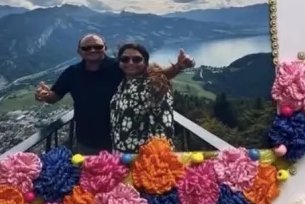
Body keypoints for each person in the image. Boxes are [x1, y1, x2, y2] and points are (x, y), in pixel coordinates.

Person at [35, 34, 194, 155]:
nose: (92, 50)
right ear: (79, 52)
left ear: (105, 48)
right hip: (88, 140)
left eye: (97, 46)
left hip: (124, 141)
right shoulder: (72, 73)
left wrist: (179, 67)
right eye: (86, 48)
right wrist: (44, 95)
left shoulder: (121, 65)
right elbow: (55, 96)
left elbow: (156, 75)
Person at [110, 43, 174, 153]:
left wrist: (155, 158)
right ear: (119, 62)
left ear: (145, 62)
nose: (130, 63)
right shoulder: (123, 84)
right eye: (125, 59)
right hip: (121, 155)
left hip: (142, 157)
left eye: (137, 59)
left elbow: (162, 130)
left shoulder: (154, 86)